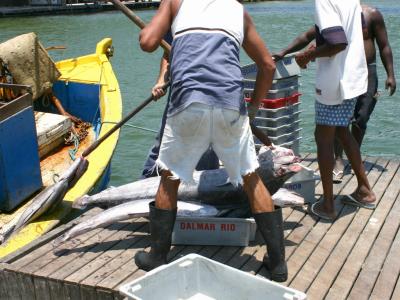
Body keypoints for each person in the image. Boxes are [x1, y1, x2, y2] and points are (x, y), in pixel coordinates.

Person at [134, 0, 288, 282]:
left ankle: (157, 255)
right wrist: (252, 109)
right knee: (250, 177)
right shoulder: (238, 10)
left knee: (170, 178)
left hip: (188, 103)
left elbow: (147, 42)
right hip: (230, 104)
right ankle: (277, 263)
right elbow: (267, 65)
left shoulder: (175, 2)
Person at [274, 0, 376, 220]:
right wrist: (305, 47)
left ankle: (328, 205)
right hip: (354, 76)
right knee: (341, 130)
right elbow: (348, 30)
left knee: (323, 137)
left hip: (335, 81)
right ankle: (364, 190)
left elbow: (337, 43)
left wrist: (307, 56)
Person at [141, 31, 220, 179]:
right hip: (180, 88)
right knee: (164, 143)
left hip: (212, 88)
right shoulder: (177, 13)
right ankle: (146, 186)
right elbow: (167, 51)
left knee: (206, 150)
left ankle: (206, 190)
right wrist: (161, 81)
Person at [333, 4, 396, 181]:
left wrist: (390, 74)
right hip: (343, 71)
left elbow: (384, 46)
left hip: (368, 71)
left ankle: (354, 156)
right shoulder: (337, 13)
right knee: (339, 118)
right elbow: (316, 37)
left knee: (361, 118)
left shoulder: (372, 14)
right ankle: (338, 159)